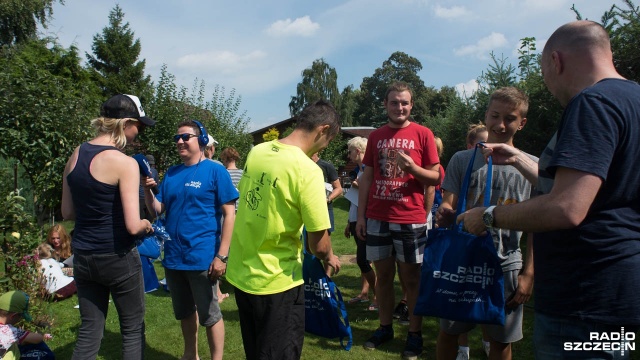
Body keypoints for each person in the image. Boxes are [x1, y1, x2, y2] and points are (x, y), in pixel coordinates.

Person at [457, 21, 640, 359]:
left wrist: (488, 216)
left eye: (544, 70)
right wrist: (519, 160)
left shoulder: (593, 103)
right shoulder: (632, 99)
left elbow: (567, 206)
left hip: (582, 296)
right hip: (617, 291)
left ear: (556, 61)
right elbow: (593, 188)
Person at [226, 100, 342, 360]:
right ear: (322, 130)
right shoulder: (308, 171)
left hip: (242, 276)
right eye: (329, 139)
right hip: (277, 282)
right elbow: (319, 245)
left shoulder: (258, 151)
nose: (326, 145)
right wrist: (330, 256)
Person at [436, 87, 536, 360]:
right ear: (486, 115)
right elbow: (448, 203)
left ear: (522, 122)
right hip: (462, 262)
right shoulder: (462, 159)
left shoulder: (532, 168)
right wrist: (445, 213)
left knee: (501, 340)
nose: (501, 124)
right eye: (495, 116)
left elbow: (537, 228)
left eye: (510, 118)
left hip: (506, 264)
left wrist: (529, 273)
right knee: (449, 332)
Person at [61, 93, 154, 360]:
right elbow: (133, 226)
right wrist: (147, 223)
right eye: (139, 126)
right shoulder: (125, 163)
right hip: (117, 257)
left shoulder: (76, 155)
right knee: (133, 330)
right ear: (126, 123)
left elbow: (67, 212)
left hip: (84, 256)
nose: (139, 133)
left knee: (90, 331)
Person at [356, 81, 441, 359]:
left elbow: (437, 177)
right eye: (394, 102)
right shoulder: (377, 137)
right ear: (386, 105)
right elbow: (367, 177)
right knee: (383, 277)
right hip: (378, 217)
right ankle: (385, 328)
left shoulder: (423, 134)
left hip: (410, 218)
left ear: (411, 105)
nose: (400, 107)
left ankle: (414, 335)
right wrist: (361, 216)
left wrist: (413, 168)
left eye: (404, 102)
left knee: (411, 280)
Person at [143, 120, 237, 360]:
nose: (180, 142)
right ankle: (190, 355)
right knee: (184, 312)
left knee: (210, 314)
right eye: (177, 138)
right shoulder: (173, 173)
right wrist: (147, 191)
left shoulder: (216, 171)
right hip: (174, 257)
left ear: (202, 140)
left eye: (186, 137)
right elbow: (157, 209)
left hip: (202, 257)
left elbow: (229, 214)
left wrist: (221, 255)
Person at [455, 123, 491, 359]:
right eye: (482, 144)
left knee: (487, 298)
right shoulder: (463, 162)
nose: (488, 148)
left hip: (491, 243)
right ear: (471, 146)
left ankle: (489, 341)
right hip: (464, 241)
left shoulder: (502, 165)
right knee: (460, 299)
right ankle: (463, 348)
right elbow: (450, 199)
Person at [344, 137, 377, 310]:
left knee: (364, 260)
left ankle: (378, 296)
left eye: (350, 151)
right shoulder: (359, 169)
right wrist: (350, 221)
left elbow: (372, 195)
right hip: (357, 219)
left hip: (367, 220)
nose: (348, 156)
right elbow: (355, 200)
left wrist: (360, 186)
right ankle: (364, 293)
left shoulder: (368, 169)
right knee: (364, 260)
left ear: (357, 150)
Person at [0, 291, 54, 360]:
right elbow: (37, 339)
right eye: (21, 316)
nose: (20, 319)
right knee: (42, 351)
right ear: (14, 316)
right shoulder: (9, 331)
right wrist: (42, 336)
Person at [311, 152, 343, 234]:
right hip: (306, 209)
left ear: (317, 151)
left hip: (325, 209)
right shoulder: (301, 165)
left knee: (324, 243)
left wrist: (327, 199)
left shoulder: (326, 166)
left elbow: (338, 188)